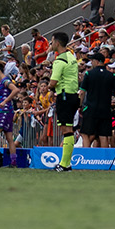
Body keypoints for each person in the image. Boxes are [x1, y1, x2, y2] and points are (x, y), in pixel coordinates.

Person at [49, 32, 81, 170]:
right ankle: (66, 163)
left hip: (64, 96)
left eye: (52, 41)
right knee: (68, 129)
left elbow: (53, 82)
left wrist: (50, 87)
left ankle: (64, 164)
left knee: (66, 130)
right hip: (73, 95)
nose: (51, 44)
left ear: (57, 42)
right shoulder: (71, 56)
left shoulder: (60, 60)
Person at [78, 51, 115, 148]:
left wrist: (79, 105)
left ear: (97, 61)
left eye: (92, 61)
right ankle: (105, 159)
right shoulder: (111, 75)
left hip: (91, 109)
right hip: (105, 110)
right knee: (103, 136)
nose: (91, 63)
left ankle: (86, 157)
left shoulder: (89, 74)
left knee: (85, 134)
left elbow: (82, 92)